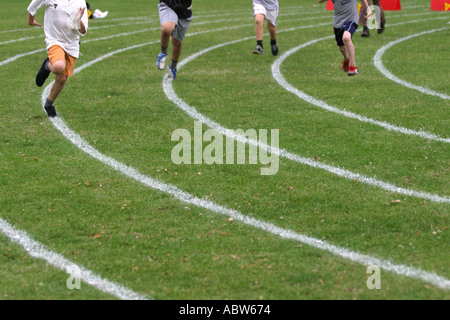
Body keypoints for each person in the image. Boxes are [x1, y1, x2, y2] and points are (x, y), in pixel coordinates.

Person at [27, 0, 88, 118]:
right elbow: (33, 6)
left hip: (71, 44)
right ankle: (47, 65)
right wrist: (31, 21)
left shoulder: (80, 2)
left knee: (62, 79)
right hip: (54, 40)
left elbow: (83, 30)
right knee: (59, 66)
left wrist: (77, 20)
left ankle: (49, 104)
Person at [319, 0, 371, 76]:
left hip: (351, 19)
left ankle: (353, 67)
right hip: (338, 22)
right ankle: (346, 59)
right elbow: (320, 1)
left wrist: (368, 9)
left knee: (346, 38)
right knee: (342, 48)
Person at [156, 0, 193, 80]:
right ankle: (163, 53)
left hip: (184, 10)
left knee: (177, 43)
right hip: (168, 5)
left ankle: (172, 67)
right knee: (167, 28)